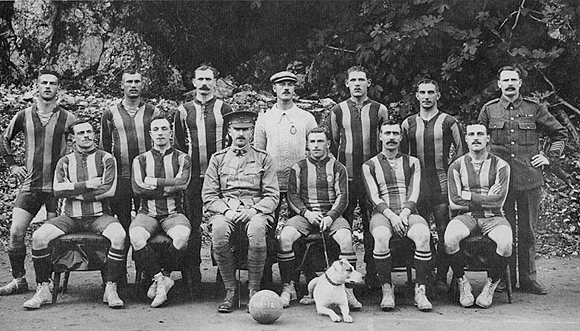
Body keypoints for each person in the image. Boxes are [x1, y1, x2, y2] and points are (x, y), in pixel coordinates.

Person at [478, 65, 567, 295]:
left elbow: (559, 133)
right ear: (498, 84)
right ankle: (504, 279)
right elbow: (478, 139)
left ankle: (528, 279)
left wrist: (548, 157)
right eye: (505, 80)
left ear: (519, 84)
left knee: (527, 231)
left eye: (513, 80)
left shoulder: (534, 108)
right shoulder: (489, 110)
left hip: (529, 179)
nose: (509, 84)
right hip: (499, 183)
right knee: (501, 229)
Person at [22, 120, 125, 309]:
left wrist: (72, 191)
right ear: (73, 138)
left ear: (94, 134)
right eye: (81, 133)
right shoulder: (65, 161)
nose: (86, 135)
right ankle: (43, 287)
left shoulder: (106, 158)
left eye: (89, 131)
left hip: (99, 216)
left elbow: (109, 191)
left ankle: (111, 287)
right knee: (38, 237)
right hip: (69, 217)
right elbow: (57, 190)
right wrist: (87, 185)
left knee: (119, 236)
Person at [0, 70, 76, 295]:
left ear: (57, 89)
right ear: (37, 86)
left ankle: (48, 281)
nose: (48, 86)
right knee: (16, 232)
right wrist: (12, 165)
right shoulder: (24, 115)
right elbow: (4, 139)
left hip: (56, 188)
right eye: (44, 82)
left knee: (50, 237)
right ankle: (19, 279)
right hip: (31, 185)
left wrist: (73, 168)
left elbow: (85, 141)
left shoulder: (67, 118)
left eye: (53, 83)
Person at [202, 110, 279, 313]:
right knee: (218, 230)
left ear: (252, 131)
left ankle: (254, 289)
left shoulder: (264, 159)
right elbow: (209, 195)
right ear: (229, 131)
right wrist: (226, 211)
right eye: (237, 129)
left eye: (246, 129)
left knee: (257, 230)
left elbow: (272, 196)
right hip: (226, 210)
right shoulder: (218, 159)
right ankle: (231, 290)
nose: (241, 134)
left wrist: (254, 211)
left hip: (255, 211)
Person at [277, 127, 360, 308]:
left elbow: (342, 196)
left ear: (328, 144)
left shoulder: (338, 167)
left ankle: (348, 291)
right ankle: (288, 286)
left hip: (330, 215)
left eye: (320, 141)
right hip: (306, 215)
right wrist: (306, 213)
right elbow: (292, 196)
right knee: (285, 237)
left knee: (346, 238)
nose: (316, 145)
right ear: (307, 144)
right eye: (312, 142)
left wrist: (330, 216)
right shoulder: (298, 167)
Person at [401, 78, 465, 292]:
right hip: (417, 185)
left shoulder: (449, 121)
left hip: (442, 183)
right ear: (417, 96)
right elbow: (400, 156)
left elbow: (461, 152)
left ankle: (443, 275)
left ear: (438, 95)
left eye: (431, 92)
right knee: (421, 231)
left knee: (445, 230)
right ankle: (424, 275)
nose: (426, 96)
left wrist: (453, 176)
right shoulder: (408, 123)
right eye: (422, 92)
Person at [328, 65, 389, 289]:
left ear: (368, 83)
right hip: (347, 178)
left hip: (372, 179)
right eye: (353, 80)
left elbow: (386, 141)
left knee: (371, 225)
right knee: (343, 224)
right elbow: (334, 144)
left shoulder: (379, 110)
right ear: (347, 84)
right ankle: (341, 276)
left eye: (361, 80)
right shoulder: (337, 111)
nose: (357, 84)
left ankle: (372, 272)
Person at [362, 120, 433, 312]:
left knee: (423, 235)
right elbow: (374, 197)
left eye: (395, 133)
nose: (391, 137)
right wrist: (393, 217)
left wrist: (404, 213)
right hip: (383, 214)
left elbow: (414, 191)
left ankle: (421, 290)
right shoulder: (369, 165)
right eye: (387, 133)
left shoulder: (412, 162)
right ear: (380, 136)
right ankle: (387, 289)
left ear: (401, 137)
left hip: (409, 212)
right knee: (381, 236)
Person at [173, 64, 233, 288]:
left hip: (220, 177)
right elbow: (178, 146)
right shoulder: (183, 110)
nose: (205, 84)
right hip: (193, 178)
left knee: (223, 221)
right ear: (194, 82)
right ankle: (192, 271)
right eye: (201, 79)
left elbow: (231, 143)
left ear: (215, 82)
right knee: (192, 224)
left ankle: (223, 270)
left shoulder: (225, 109)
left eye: (209, 79)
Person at [445, 123, 512, 308]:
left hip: (494, 216)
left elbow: (498, 201)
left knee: (506, 243)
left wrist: (468, 195)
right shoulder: (456, 166)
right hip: (466, 216)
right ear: (465, 139)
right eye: (471, 134)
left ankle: (491, 283)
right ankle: (462, 281)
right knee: (450, 239)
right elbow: (454, 202)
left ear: (487, 138)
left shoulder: (501, 165)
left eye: (480, 134)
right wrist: (486, 196)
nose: (476, 138)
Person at [130, 116, 192, 308]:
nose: (160, 133)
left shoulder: (182, 157)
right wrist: (168, 187)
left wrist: (154, 182)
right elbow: (138, 188)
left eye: (164, 129)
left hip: (173, 213)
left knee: (182, 236)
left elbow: (183, 183)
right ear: (150, 134)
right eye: (156, 129)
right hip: (147, 213)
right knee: (136, 236)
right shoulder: (140, 159)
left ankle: (164, 276)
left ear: (170, 133)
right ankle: (160, 280)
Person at [100, 70, 160, 233]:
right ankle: (121, 257)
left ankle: (141, 256)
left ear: (142, 84)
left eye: (137, 82)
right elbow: (104, 147)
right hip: (121, 176)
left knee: (148, 218)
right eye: (129, 82)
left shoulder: (153, 112)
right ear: (122, 85)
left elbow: (161, 143)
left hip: (146, 175)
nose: (133, 85)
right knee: (122, 219)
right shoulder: (110, 113)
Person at [254, 71, 317, 221]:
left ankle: (295, 245)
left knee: (298, 222)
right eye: (282, 84)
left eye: (290, 85)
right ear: (274, 89)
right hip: (272, 181)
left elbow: (317, 147)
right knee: (268, 221)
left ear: (294, 89)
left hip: (299, 181)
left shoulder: (306, 118)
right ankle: (270, 245)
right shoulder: (264, 119)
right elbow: (258, 153)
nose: (286, 88)